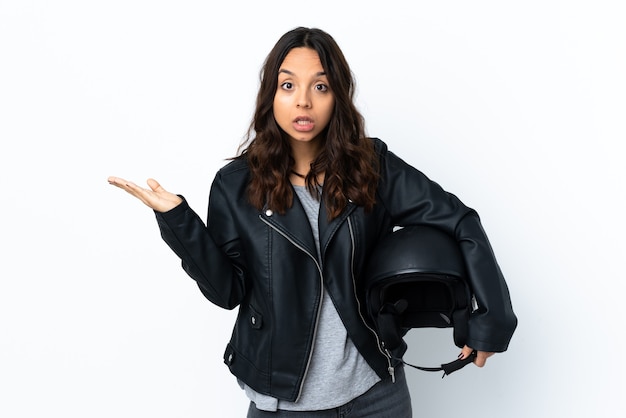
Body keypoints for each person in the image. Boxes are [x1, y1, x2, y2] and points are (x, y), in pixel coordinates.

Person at [108, 27, 517, 417]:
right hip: (283, 406)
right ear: (271, 96)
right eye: (288, 86)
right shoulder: (235, 186)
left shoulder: (370, 167)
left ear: (337, 96)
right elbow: (227, 290)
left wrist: (490, 322)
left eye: (320, 86)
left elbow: (459, 221)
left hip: (377, 397)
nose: (303, 101)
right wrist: (177, 219)